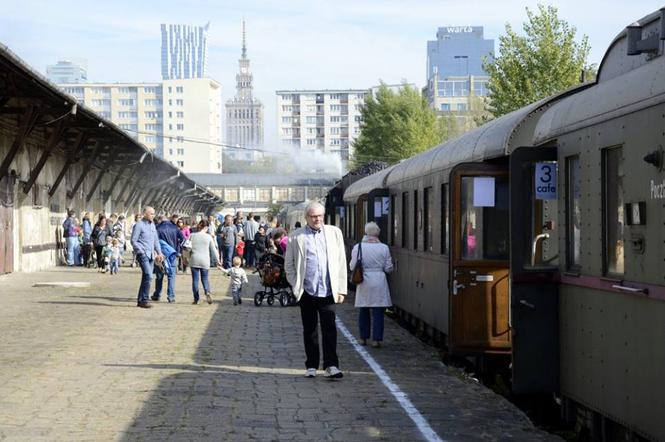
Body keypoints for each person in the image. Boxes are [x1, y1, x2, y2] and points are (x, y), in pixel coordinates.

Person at [284, 201, 347, 379]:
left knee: (330, 328)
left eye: (319, 216)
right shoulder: (296, 237)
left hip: (328, 289)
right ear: (306, 218)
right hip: (307, 290)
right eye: (313, 216)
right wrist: (296, 286)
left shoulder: (335, 233)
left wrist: (341, 289)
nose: (317, 219)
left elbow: (341, 261)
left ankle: (331, 365)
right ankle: (311, 365)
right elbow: (289, 264)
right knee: (309, 329)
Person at [350, 222, 394, 347]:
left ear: (366, 232)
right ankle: (376, 340)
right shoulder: (384, 248)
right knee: (378, 311)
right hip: (379, 281)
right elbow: (388, 268)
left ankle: (363, 338)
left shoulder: (358, 247)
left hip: (364, 281)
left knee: (363, 310)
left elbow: (352, 266)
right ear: (378, 233)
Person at [131, 206, 164, 309]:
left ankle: (141, 300)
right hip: (143, 254)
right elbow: (133, 240)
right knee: (149, 275)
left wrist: (159, 252)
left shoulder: (152, 226)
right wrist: (141, 251)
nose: (153, 216)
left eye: (154, 214)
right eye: (151, 214)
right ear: (145, 214)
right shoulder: (139, 225)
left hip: (151, 255)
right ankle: (145, 299)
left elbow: (156, 240)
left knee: (146, 277)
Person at [152, 214, 184, 303]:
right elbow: (183, 239)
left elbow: (154, 241)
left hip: (160, 255)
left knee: (159, 276)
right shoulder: (175, 228)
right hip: (172, 255)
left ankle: (157, 294)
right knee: (171, 276)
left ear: (159, 220)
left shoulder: (157, 228)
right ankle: (171, 297)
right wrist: (178, 249)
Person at [189, 219, 219, 305]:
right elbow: (214, 250)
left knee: (195, 279)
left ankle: (196, 298)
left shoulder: (192, 235)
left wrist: (185, 258)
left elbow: (187, 247)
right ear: (206, 227)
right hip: (205, 260)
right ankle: (207, 292)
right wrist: (218, 260)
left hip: (194, 259)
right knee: (205, 278)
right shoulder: (208, 237)